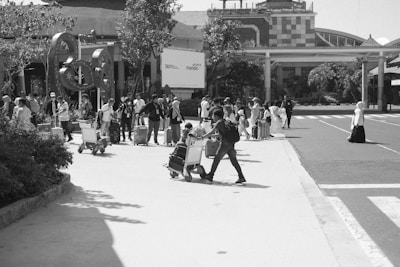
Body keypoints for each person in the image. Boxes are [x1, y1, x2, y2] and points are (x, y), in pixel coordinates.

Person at [198, 109, 246, 184]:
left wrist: (202, 137)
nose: (213, 117)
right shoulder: (225, 121)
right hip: (231, 143)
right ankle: (241, 176)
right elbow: (220, 134)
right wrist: (210, 136)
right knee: (234, 161)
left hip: (225, 144)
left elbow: (211, 132)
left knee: (216, 159)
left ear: (216, 116)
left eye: (213, 115)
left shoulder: (219, 122)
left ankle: (211, 175)